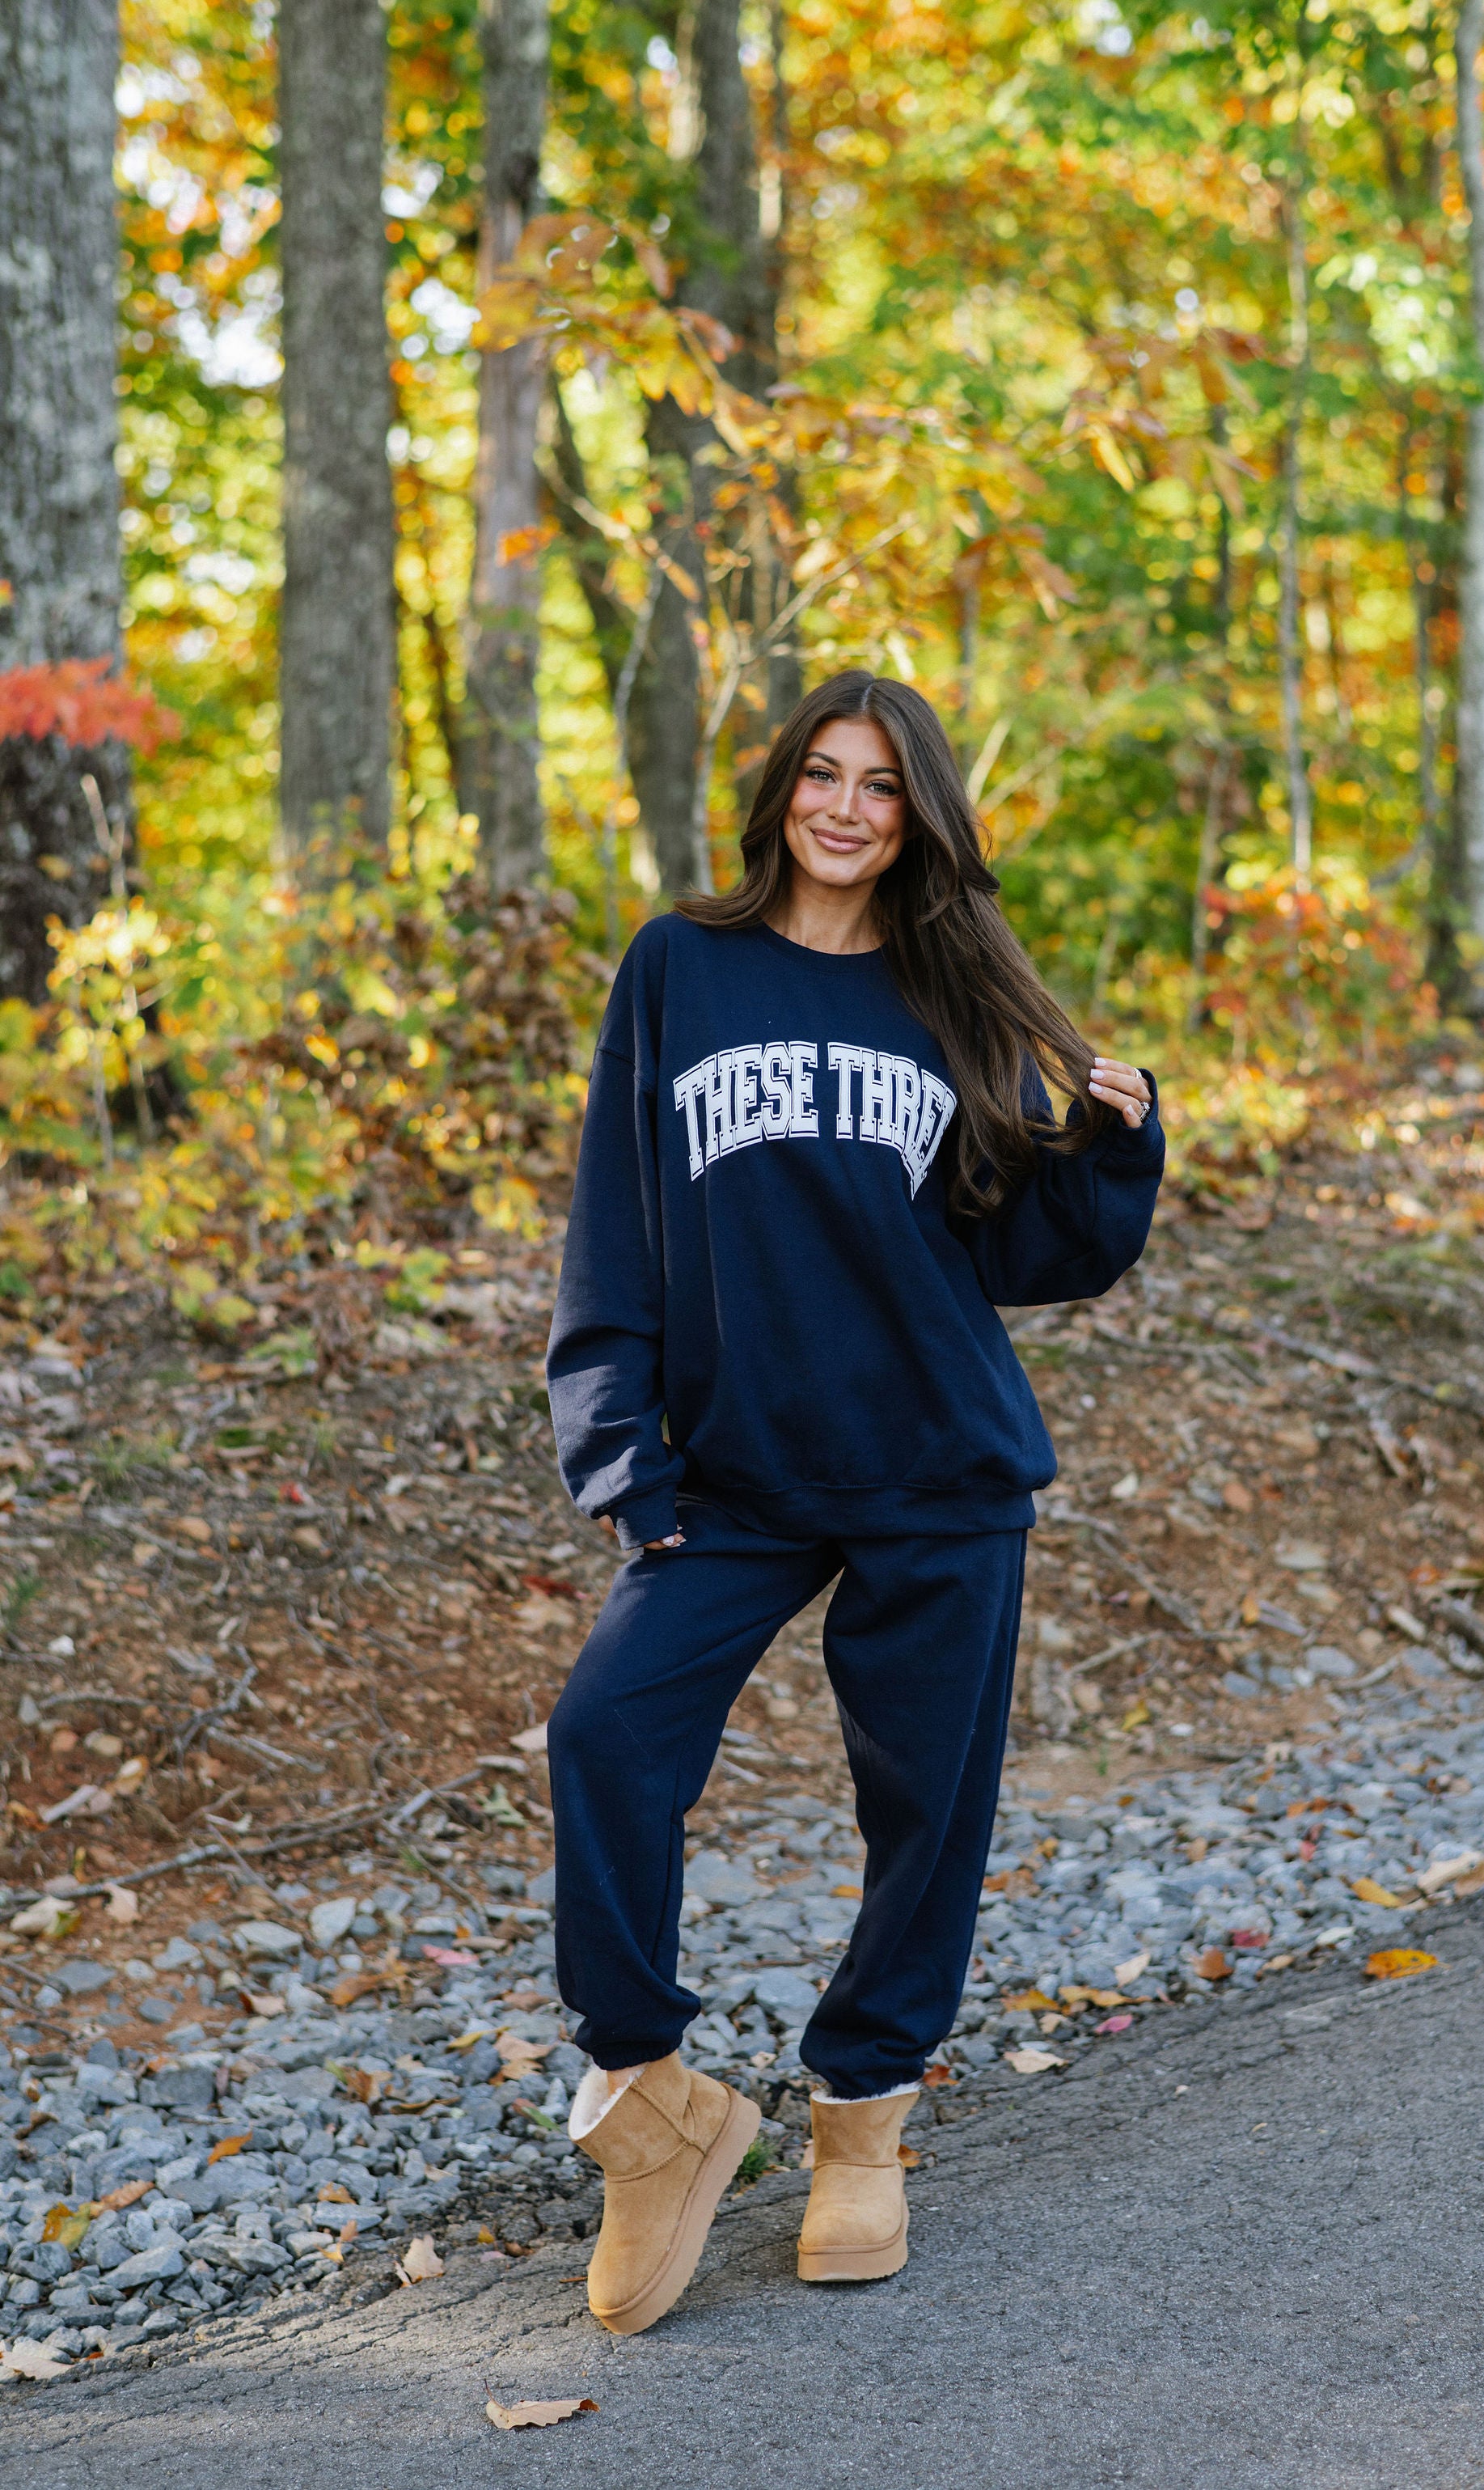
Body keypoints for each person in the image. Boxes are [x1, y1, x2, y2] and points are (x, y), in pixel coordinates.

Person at [545, 670, 1161, 2335]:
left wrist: (1110, 1148)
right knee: (606, 1737)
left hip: (935, 1470)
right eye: (821, 776)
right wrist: (618, 1452)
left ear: (917, 818)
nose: (843, 808)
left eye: (880, 788)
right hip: (729, 1478)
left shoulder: (952, 992)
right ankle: (654, 2104)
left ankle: (860, 2124)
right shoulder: (682, 965)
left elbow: (1019, 1250)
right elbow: (616, 1222)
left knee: (922, 1814)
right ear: (779, 795)